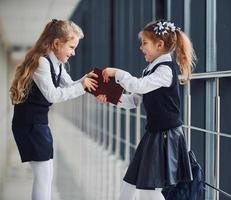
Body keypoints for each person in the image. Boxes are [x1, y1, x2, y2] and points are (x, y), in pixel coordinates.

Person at [97, 20, 197, 200]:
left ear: (159, 45)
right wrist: (110, 97)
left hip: (166, 136)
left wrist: (118, 73)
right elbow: (133, 100)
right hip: (154, 134)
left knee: (148, 190)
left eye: (144, 43)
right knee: (130, 183)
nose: (141, 48)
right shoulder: (149, 71)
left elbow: (138, 86)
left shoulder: (165, 71)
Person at [9, 19, 97, 200]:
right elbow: (54, 95)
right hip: (29, 125)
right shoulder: (42, 63)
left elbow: (70, 84)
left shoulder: (57, 64)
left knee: (46, 174)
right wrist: (82, 86)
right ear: (57, 44)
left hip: (39, 124)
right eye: (71, 47)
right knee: (43, 176)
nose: (73, 53)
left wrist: (84, 80)